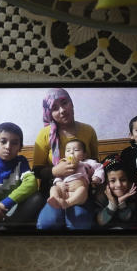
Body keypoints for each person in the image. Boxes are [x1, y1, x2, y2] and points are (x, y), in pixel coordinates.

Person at [34, 88, 99, 230]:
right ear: (49, 113)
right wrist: (55, 171)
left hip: (81, 189)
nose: (62, 110)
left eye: (65, 103)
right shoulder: (44, 134)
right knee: (47, 224)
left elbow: (95, 163)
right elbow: (37, 170)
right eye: (55, 108)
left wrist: (84, 179)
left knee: (80, 223)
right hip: (56, 188)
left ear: (72, 103)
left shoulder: (88, 131)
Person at [48, 139, 104, 209]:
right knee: (53, 188)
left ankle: (67, 203)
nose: (71, 152)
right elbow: (58, 175)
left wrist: (97, 177)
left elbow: (99, 168)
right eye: (68, 150)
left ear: (84, 155)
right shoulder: (63, 163)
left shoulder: (88, 163)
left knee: (82, 190)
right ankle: (55, 199)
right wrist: (59, 183)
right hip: (63, 190)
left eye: (76, 150)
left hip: (77, 192)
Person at [94, 153, 137, 228]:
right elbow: (100, 222)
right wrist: (112, 203)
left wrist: (121, 202)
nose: (119, 185)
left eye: (123, 180)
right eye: (112, 180)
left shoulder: (132, 192)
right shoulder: (100, 196)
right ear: (105, 183)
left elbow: (127, 219)